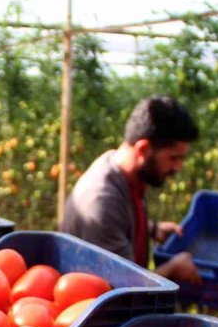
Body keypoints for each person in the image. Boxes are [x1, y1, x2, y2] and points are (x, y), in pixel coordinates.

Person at [60, 95, 202, 285]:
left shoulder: (122, 170)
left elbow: (120, 215)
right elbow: (124, 289)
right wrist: (172, 269)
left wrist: (152, 228)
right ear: (143, 149)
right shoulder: (101, 201)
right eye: (173, 158)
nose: (178, 168)